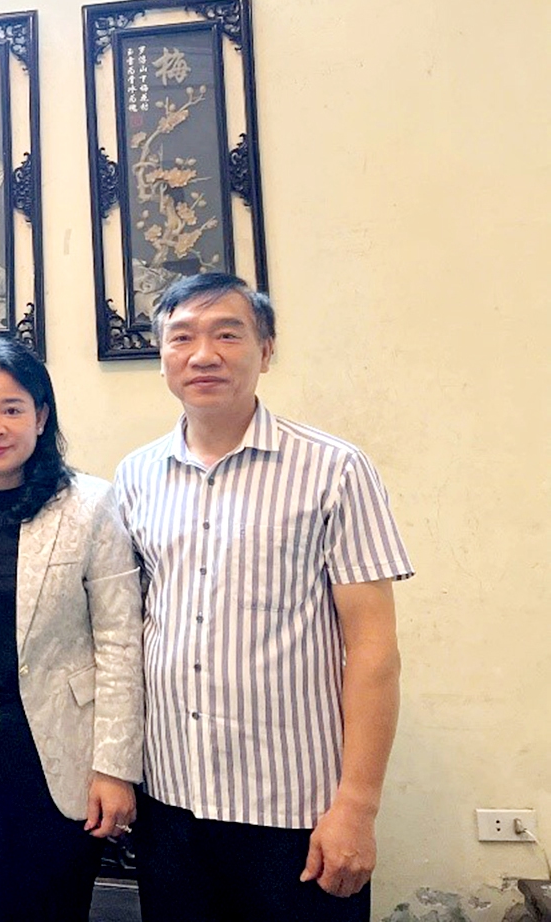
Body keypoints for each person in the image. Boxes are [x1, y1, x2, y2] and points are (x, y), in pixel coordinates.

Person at [112, 273, 412, 921]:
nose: (203, 354)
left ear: (266, 351)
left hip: (296, 810)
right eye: (182, 338)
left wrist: (357, 806)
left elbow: (373, 650)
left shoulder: (334, 469)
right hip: (171, 805)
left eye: (228, 335)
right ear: (162, 356)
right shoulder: (135, 476)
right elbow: (128, 631)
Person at [0, 339, 142, 921]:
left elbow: (120, 643)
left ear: (41, 417)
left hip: (63, 752)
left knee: (56, 910)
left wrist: (115, 768)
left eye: (12, 409)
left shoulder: (91, 506)